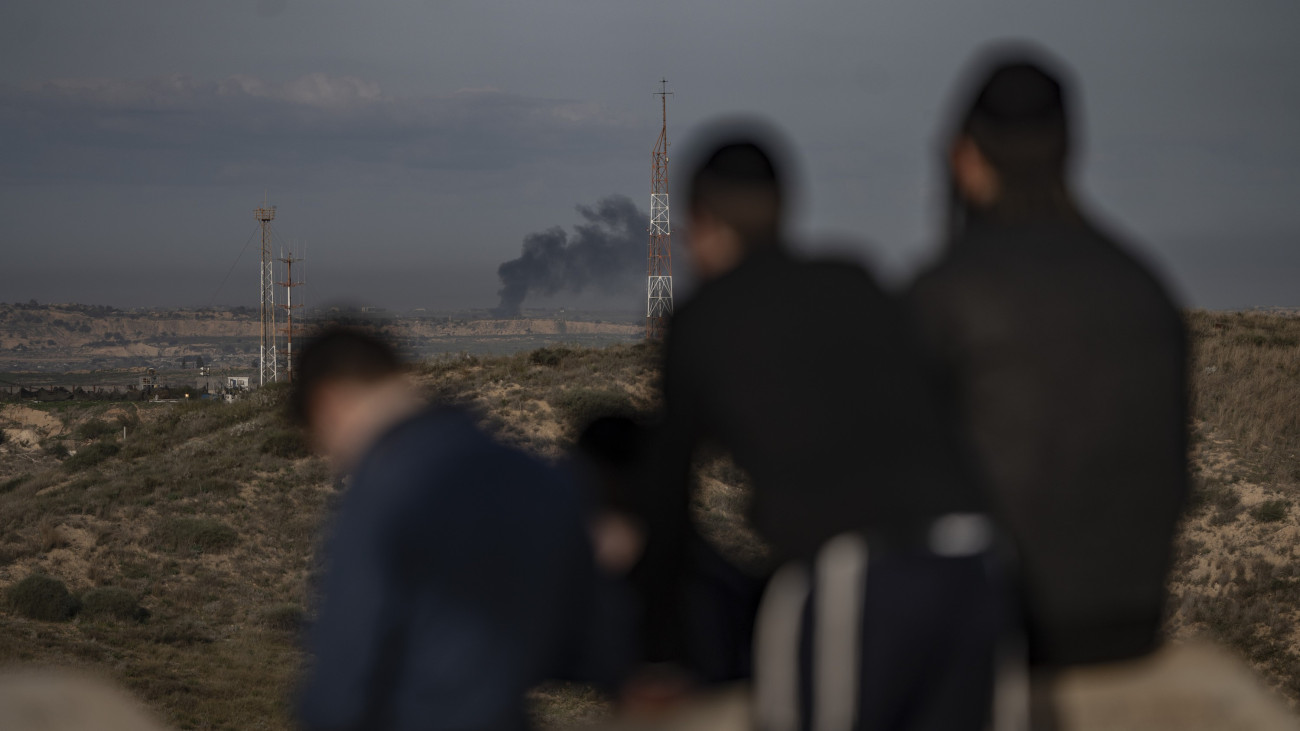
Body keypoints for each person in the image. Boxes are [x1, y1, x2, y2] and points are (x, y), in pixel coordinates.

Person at [648, 127, 1005, 731]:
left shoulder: (702, 321)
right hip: (977, 560)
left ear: (699, 223)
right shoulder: (857, 280)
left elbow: (663, 500)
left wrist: (660, 653)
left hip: (857, 574)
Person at [905, 48, 1189, 727]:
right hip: (1129, 626)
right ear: (1070, 149)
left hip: (1001, 633)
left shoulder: (943, 292)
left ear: (967, 158)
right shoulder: (1144, 287)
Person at [290, 326, 626, 731]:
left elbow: (344, 673)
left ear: (328, 402)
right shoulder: (541, 478)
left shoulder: (387, 487)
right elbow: (594, 644)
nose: (333, 458)